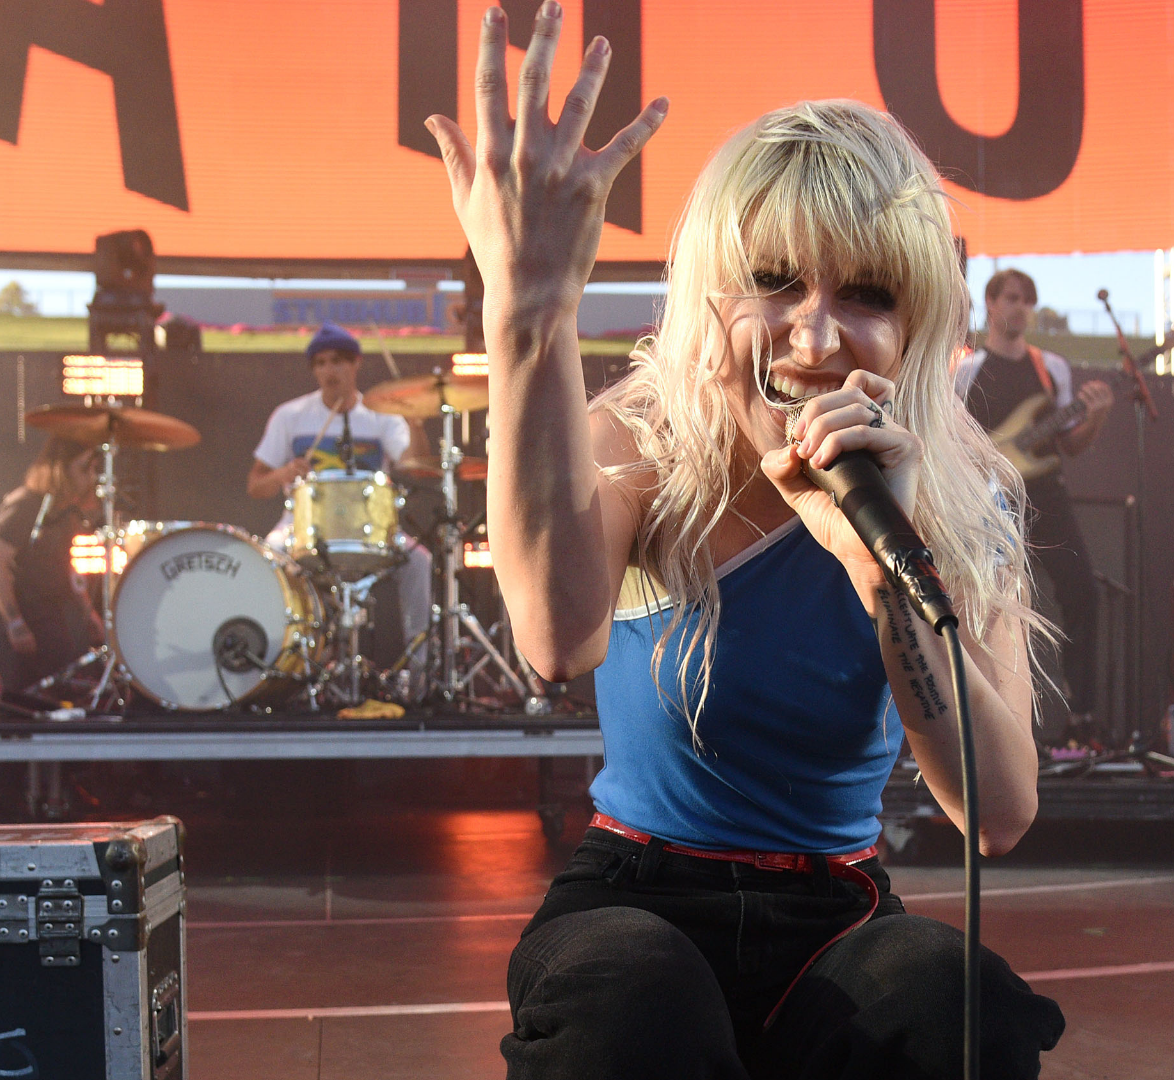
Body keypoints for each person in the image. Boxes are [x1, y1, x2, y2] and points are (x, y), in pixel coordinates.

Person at [422, 5, 1064, 1077]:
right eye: (775, 283)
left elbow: (995, 814)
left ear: (913, 327)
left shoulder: (956, 488)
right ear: (715, 298)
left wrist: (877, 559)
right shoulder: (641, 437)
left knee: (953, 1004)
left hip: (837, 907)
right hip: (638, 895)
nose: (814, 335)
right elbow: (553, 636)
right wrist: (528, 315)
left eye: (865, 295)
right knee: (633, 1000)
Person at [953, 270, 1113, 736]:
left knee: (1082, 591)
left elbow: (1072, 444)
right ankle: (982, 722)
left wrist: (1097, 416)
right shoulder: (966, 371)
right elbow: (951, 441)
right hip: (989, 501)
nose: (1020, 308)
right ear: (991, 303)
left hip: (1046, 495)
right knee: (987, 603)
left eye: (1027, 301)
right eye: (1011, 298)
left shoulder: (1051, 368)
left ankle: (1082, 718)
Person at [248, 322, 434, 648]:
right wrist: (284, 473)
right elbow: (255, 486)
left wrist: (416, 425)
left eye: (337, 361)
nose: (328, 370)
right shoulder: (290, 416)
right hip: (302, 528)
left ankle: (418, 673)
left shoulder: (383, 416)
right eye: (320, 363)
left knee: (420, 560)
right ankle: (283, 658)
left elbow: (415, 467)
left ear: (355, 363)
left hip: (371, 528)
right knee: (271, 554)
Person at [0, 436, 105, 694]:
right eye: (84, 468)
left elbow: (69, 567)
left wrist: (87, 612)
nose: (92, 477)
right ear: (60, 469)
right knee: (23, 695)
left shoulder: (66, 511)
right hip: (22, 614)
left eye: (94, 469)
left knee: (58, 686)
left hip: (50, 615)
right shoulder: (26, 504)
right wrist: (14, 622)